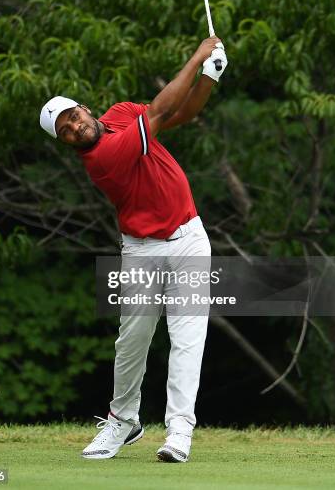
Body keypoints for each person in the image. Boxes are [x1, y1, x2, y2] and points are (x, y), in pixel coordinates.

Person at [39, 36, 227, 462]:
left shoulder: (122, 115)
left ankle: (179, 433)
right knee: (133, 339)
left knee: (187, 338)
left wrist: (209, 77)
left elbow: (182, 112)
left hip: (189, 238)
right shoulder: (100, 159)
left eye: (72, 116)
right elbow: (160, 109)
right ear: (67, 143)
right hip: (141, 249)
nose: (73, 127)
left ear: (84, 108)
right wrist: (198, 56)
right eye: (65, 131)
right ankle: (123, 420)